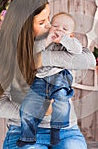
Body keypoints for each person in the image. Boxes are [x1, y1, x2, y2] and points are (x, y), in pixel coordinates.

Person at [0, 0, 96, 149]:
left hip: (65, 130)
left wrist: (43, 59)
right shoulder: (6, 51)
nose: (49, 26)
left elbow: (88, 59)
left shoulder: (55, 40)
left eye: (48, 18)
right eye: (42, 23)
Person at [17, 12, 83, 147]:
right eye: (56, 26)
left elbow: (78, 50)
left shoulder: (70, 43)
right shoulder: (43, 41)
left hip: (60, 78)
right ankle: (27, 135)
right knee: (27, 107)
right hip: (40, 79)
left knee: (62, 105)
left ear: (71, 34)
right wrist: (48, 40)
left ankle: (56, 131)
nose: (59, 30)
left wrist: (64, 39)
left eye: (65, 29)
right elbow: (33, 52)